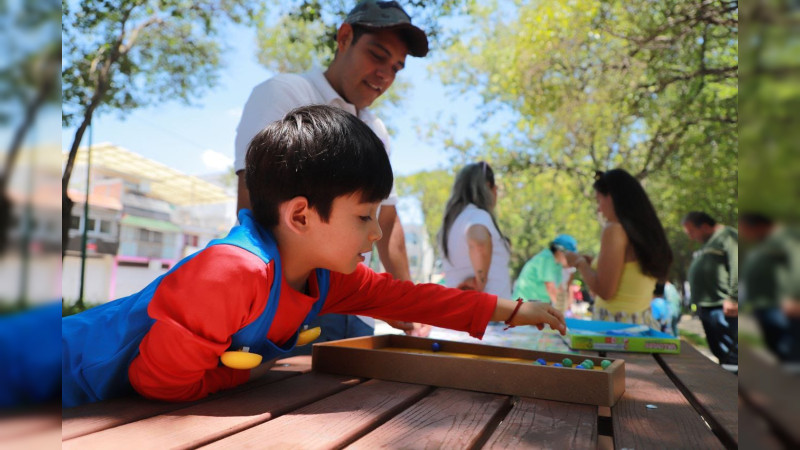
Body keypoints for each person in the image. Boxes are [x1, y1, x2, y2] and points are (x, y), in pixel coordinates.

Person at [61, 106, 567, 408]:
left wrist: (515, 311)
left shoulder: (326, 276)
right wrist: (250, 373)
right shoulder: (231, 273)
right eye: (365, 217)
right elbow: (160, 384)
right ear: (300, 216)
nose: (376, 234)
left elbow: (410, 298)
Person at [234, 0, 430, 340]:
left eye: (397, 68)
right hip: (284, 300)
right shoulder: (285, 93)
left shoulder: (377, 131)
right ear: (344, 38)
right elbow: (254, 201)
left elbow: (388, 220)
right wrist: (275, 305)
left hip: (352, 303)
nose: (386, 74)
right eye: (377, 55)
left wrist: (407, 304)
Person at [565, 169, 673, 326]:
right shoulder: (646, 234)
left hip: (615, 329)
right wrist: (594, 264)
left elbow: (605, 291)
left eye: (599, 200)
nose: (599, 209)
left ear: (611, 197)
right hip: (641, 325)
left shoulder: (614, 229)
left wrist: (579, 263)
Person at [438, 162, 512, 299]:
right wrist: (480, 282)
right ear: (489, 187)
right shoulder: (477, 215)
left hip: (462, 311)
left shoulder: (451, 223)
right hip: (489, 314)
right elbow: (479, 243)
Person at [739, 212, 799, 362]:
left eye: (745, 230)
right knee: (779, 349)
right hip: (765, 305)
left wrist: (794, 296)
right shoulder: (765, 242)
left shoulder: (785, 238)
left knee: (790, 350)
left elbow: (796, 264)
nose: (744, 235)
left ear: (758, 226)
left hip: (782, 306)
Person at [682, 211, 738, 369]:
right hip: (709, 307)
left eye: (692, 232)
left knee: (733, 355)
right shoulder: (709, 243)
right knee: (722, 354)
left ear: (705, 226)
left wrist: (734, 297)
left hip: (723, 307)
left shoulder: (727, 235)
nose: (691, 237)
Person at [513, 235, 578, 308]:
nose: (572, 259)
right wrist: (561, 309)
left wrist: (566, 304)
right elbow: (551, 288)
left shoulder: (558, 264)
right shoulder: (547, 258)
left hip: (536, 306)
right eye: (571, 255)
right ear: (560, 251)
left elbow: (559, 289)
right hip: (524, 306)